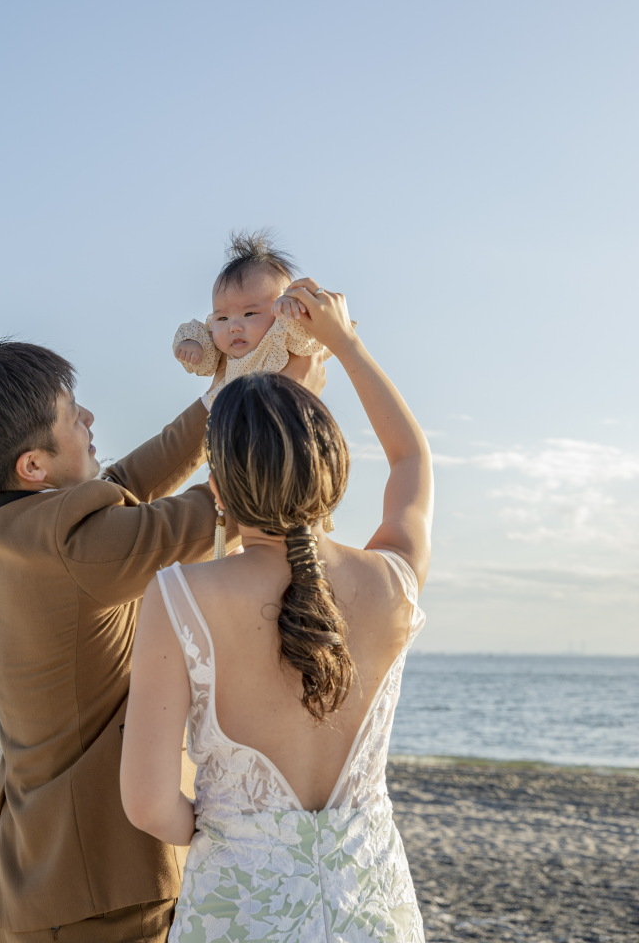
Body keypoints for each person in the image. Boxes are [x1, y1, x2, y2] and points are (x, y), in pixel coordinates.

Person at [0, 337, 324, 943]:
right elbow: (235, 510)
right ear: (33, 465)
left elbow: (119, 484)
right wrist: (284, 405)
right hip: (102, 891)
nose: (88, 420)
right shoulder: (76, 550)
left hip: (33, 881)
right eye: (71, 412)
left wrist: (218, 397)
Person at [121, 280, 433, 943]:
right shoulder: (393, 581)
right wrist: (344, 343)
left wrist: (229, 833)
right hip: (372, 910)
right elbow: (411, 458)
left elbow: (148, 804)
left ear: (221, 490)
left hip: (241, 910)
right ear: (336, 465)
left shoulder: (180, 596)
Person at [173, 231, 328, 411]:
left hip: (279, 418)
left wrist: (295, 311)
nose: (234, 327)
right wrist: (192, 344)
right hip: (229, 424)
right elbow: (203, 342)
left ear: (279, 307)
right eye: (222, 317)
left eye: (249, 314)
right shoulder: (221, 347)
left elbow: (309, 339)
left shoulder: (280, 334)